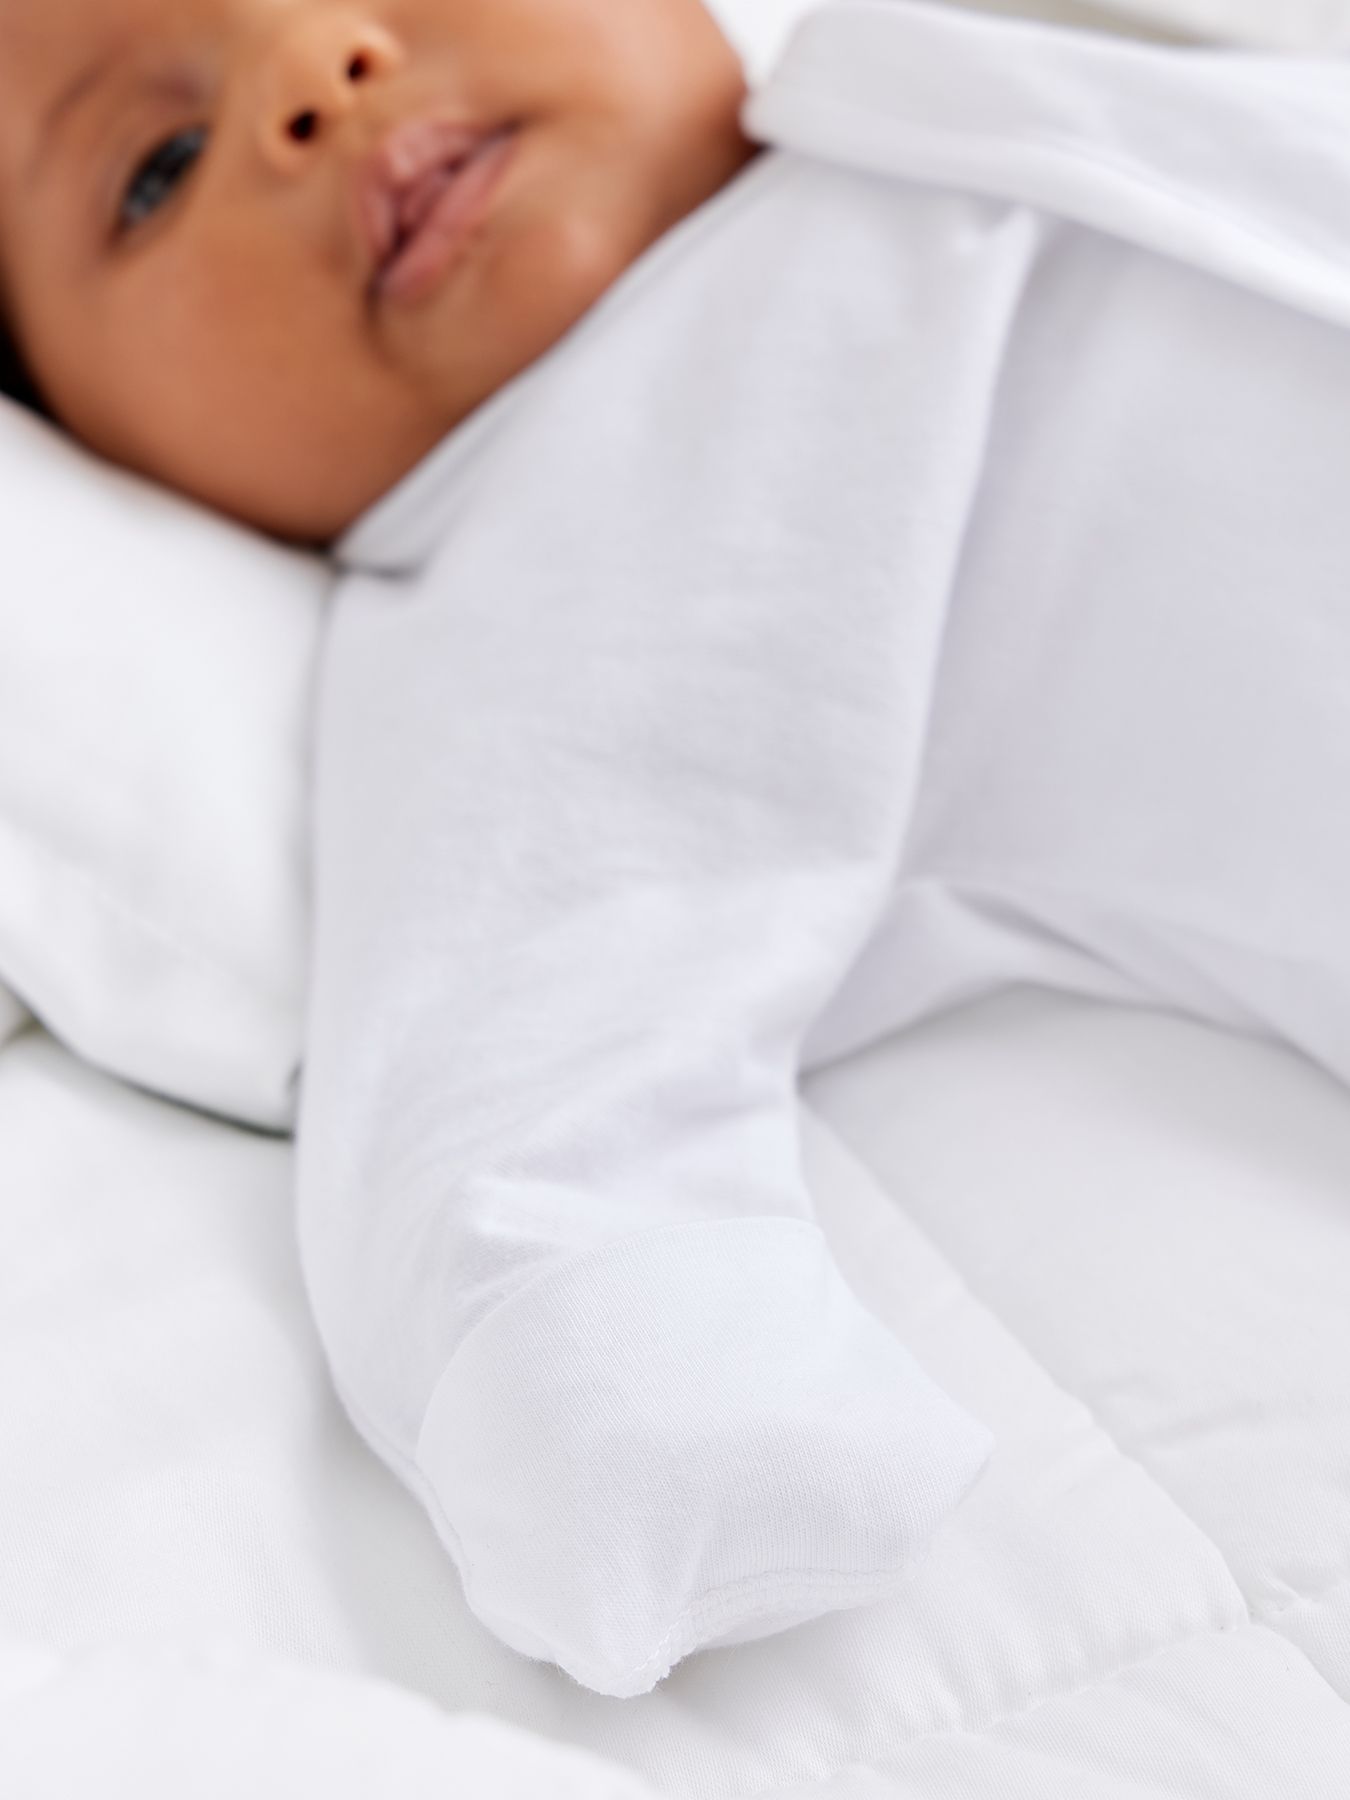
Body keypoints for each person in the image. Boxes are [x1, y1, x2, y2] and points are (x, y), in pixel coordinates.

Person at [6, 0, 1350, 1697]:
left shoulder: (935, 76)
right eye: (158, 166)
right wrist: (641, 1425)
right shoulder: (548, 586)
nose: (313, 72)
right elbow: (508, 1096)